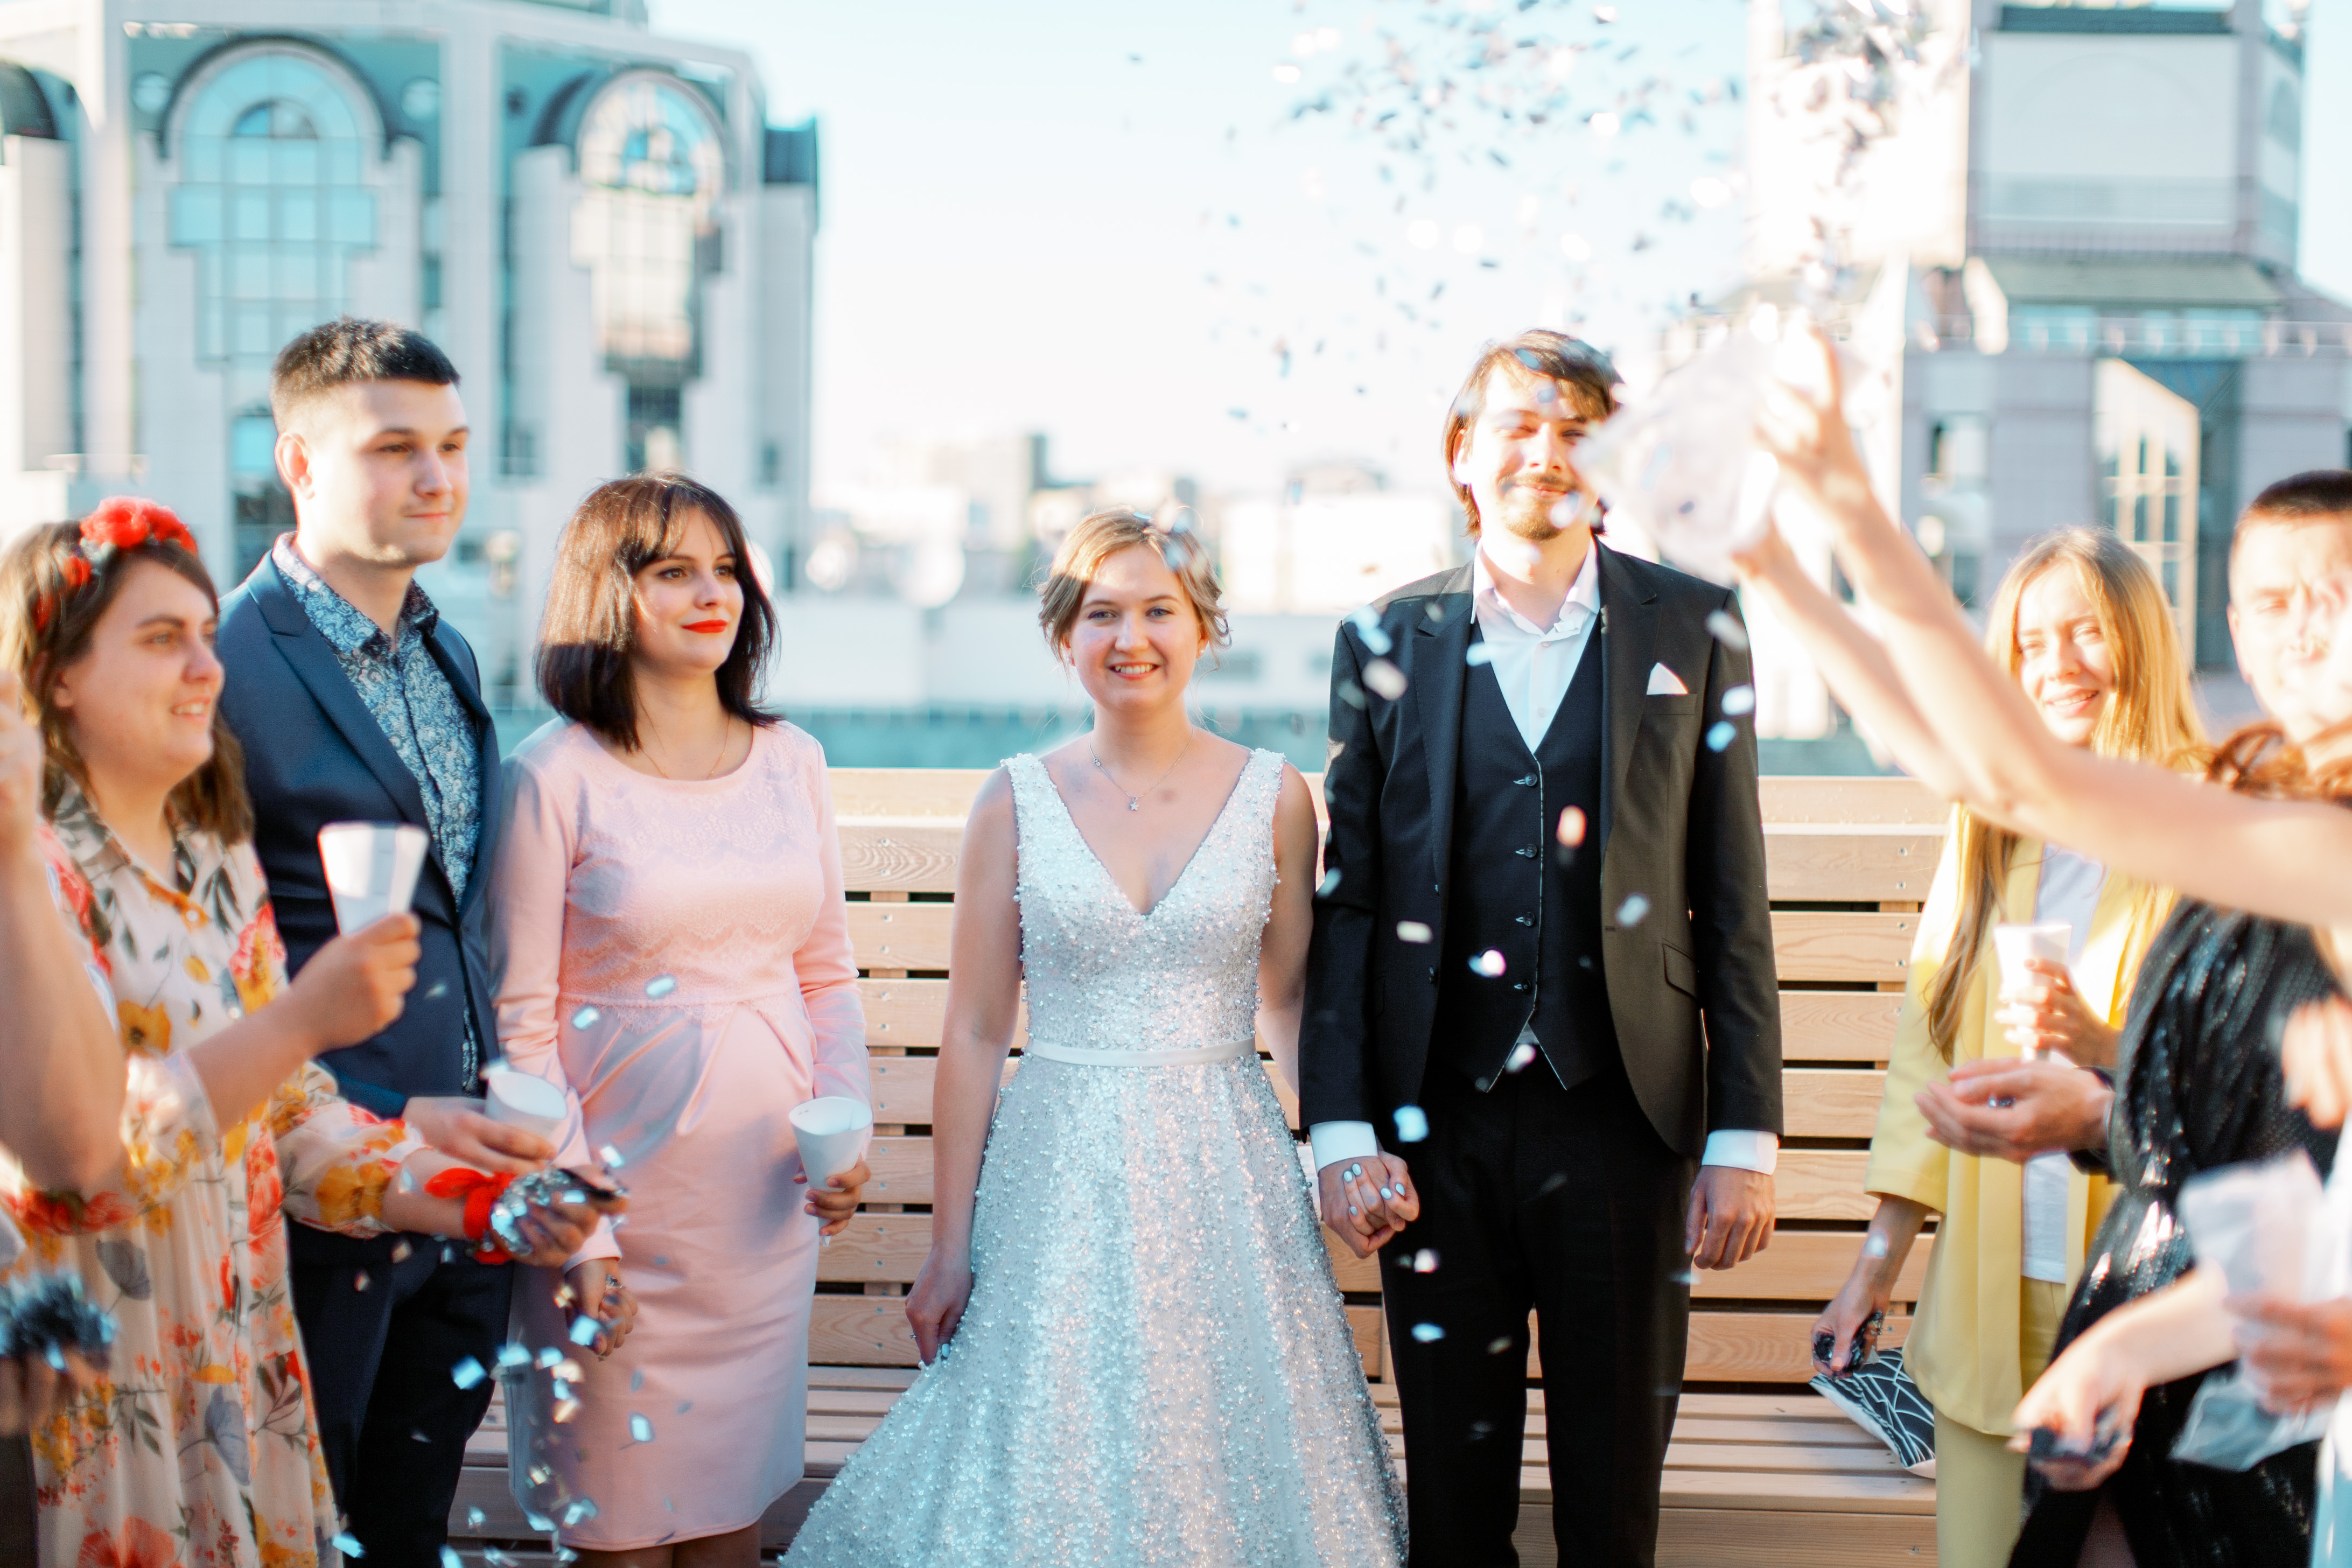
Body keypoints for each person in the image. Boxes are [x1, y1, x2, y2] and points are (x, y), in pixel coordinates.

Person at [1738, 353, 2352, 1558]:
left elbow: (2012, 774)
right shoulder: (2265, 811)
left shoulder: (2296, 843)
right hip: (2190, 1315)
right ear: (2234, 627)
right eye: (2272, 604)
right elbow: (1989, 776)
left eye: (2336, 593)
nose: (2303, 630)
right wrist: (1779, 573)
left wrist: (1849, 503)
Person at [784, 508, 1404, 1568]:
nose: (1132, 638)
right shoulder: (1014, 799)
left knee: (1227, 1447)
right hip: (1056, 1175)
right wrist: (947, 1246)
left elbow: (1289, 1004)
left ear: (1203, 626)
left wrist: (1345, 1154)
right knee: (1047, 1440)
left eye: (1160, 610)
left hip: (1225, 1173)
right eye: (1102, 614)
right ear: (1064, 636)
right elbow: (976, 1030)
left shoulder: (1275, 795)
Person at [0, 504, 611, 1567]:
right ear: (54, 676)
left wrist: (467, 1191)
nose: (209, 668)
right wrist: (303, 1020)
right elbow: (84, 1161)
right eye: (163, 638)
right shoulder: (31, 880)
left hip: (233, 1372)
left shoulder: (210, 870)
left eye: (207, 635)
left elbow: (283, 1118)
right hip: (95, 1394)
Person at [1299, 330, 1783, 1568]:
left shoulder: (1698, 625)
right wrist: (1341, 1130)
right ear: (1463, 455)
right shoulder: (1383, 639)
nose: (1547, 453)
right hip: (1434, 1124)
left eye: (1578, 431)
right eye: (1519, 426)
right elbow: (1350, 903)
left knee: (1612, 1511)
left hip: (1626, 1116)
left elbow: (1732, 895)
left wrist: (1745, 1134)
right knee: (1452, 1514)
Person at [215, 319, 596, 1558]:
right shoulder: (222, 668)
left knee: (407, 1529)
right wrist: (372, 1120)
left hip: (468, 1185)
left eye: (453, 445)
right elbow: (210, 959)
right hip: (323, 1195)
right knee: (300, 1530)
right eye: (394, 449)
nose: (437, 477)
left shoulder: (450, 652)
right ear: (300, 463)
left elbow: (460, 906)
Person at [490, 473, 870, 1565]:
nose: (714, 595)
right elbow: (520, 1031)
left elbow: (827, 975)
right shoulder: (551, 776)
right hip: (613, 1218)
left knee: (730, 1534)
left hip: (760, 1217)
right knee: (616, 1535)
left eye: (726, 570)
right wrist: (582, 1233)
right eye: (674, 572)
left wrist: (846, 1127)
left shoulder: (794, 760)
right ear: (606, 593)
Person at [1802, 530, 2199, 1567]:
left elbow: (2227, 1067)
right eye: (2030, 643)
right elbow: (1928, 1057)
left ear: (2142, 641)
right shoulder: (1989, 827)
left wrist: (2103, 1047)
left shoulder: (2205, 825)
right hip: (1990, 1281)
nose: (2058, 665)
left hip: (2144, 1285)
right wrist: (1875, 1267)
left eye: (2086, 632)